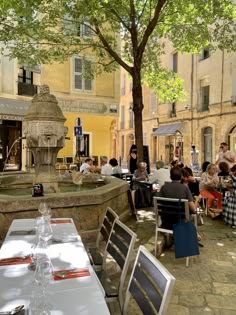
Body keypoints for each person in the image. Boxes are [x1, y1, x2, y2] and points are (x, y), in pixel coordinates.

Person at [222, 164, 236, 228]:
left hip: (234, 198)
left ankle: (233, 222)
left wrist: (231, 175)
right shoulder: (233, 178)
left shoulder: (233, 177)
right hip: (233, 196)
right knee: (225, 200)